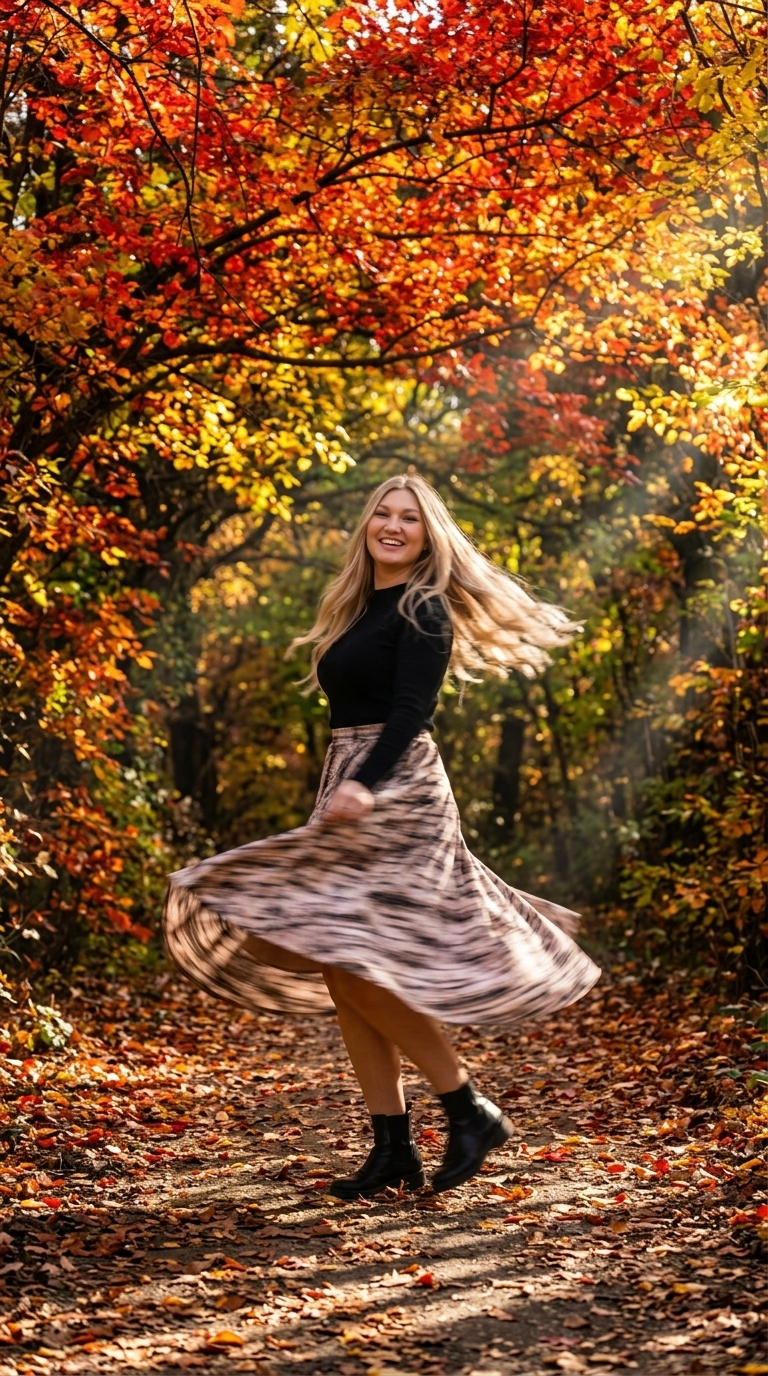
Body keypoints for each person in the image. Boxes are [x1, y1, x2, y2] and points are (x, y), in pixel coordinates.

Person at [164, 474, 600, 1199]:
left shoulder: (425, 606)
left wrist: (366, 782)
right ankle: (392, 1147)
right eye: (383, 515)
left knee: (355, 963)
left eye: (409, 519)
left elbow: (410, 711)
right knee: (341, 966)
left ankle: (467, 1107)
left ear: (429, 535)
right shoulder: (359, 606)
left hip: (396, 790)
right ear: (367, 525)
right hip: (351, 780)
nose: (393, 527)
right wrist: (347, 781)